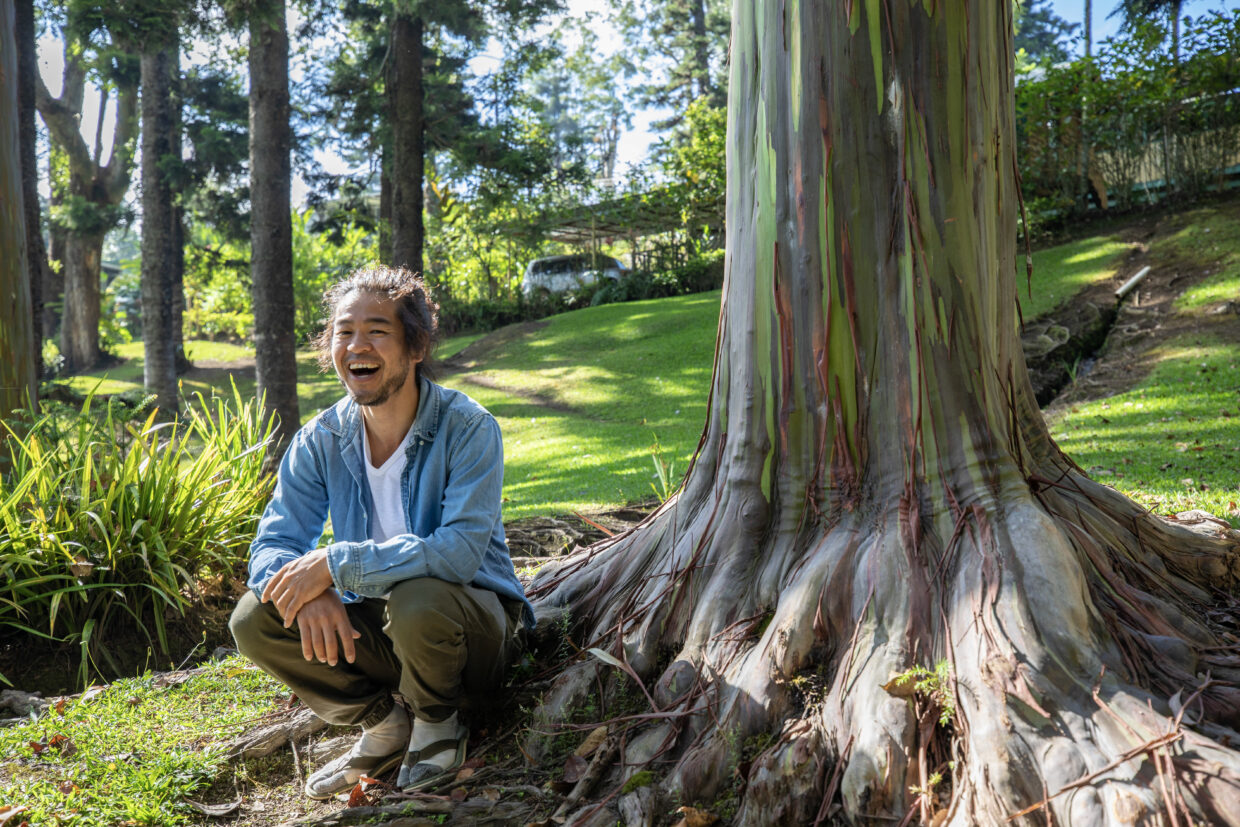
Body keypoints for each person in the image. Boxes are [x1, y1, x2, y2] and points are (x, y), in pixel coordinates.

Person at [229, 265, 533, 800]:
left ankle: (439, 721)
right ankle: (386, 724)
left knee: (419, 597)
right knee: (256, 616)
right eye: (344, 331)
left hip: (473, 637)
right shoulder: (320, 438)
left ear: (416, 346)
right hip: (387, 634)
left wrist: (335, 565)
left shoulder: (468, 427)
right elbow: (272, 545)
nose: (356, 346)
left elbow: (459, 554)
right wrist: (310, 592)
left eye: (377, 330)